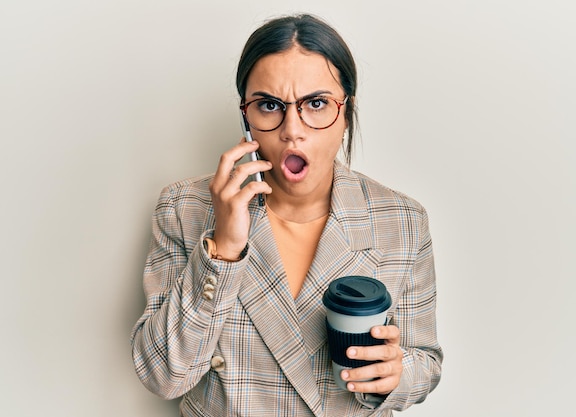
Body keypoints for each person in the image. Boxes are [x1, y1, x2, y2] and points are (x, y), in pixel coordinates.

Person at [131, 13, 442, 417]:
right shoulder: (184, 209)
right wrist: (222, 251)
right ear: (247, 119)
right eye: (269, 106)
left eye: (316, 104)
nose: (292, 129)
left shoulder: (402, 221)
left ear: (345, 113)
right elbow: (163, 376)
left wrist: (396, 374)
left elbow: (426, 361)